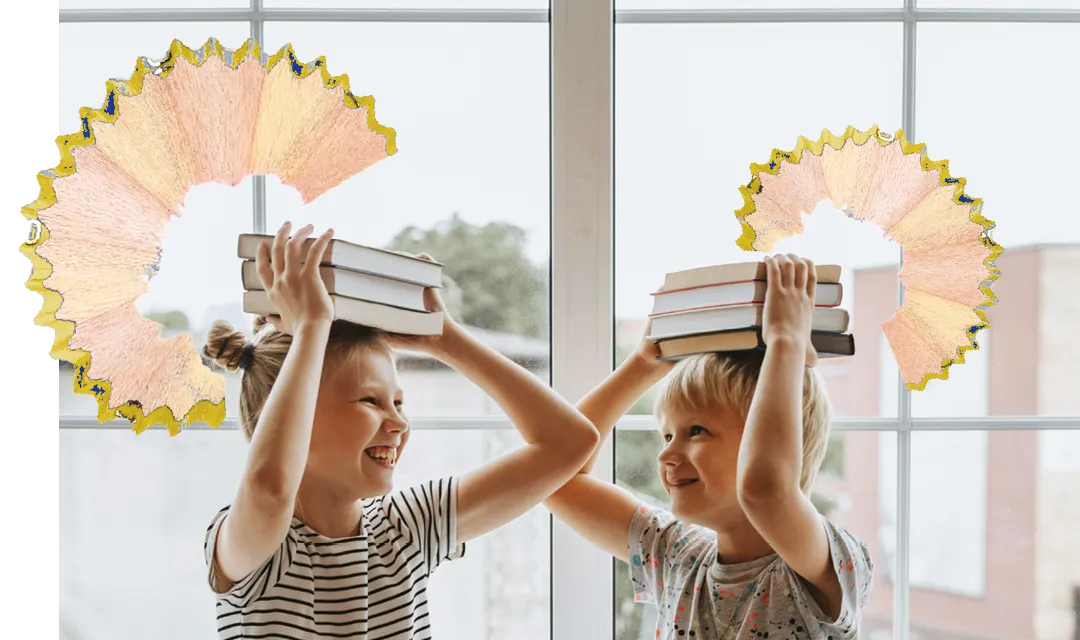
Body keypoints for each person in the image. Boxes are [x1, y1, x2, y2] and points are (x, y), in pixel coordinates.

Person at [201, 221, 599, 640]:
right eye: (371, 401)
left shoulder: (406, 527)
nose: (400, 424)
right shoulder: (260, 549)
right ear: (290, 414)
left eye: (400, 403)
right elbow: (269, 490)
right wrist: (313, 325)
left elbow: (570, 443)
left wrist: (444, 339)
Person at [544, 253, 874, 639]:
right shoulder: (677, 555)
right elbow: (550, 476)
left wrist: (787, 341)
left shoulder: (824, 563)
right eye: (667, 435)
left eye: (696, 431)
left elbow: (765, 491)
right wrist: (640, 368)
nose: (666, 455)